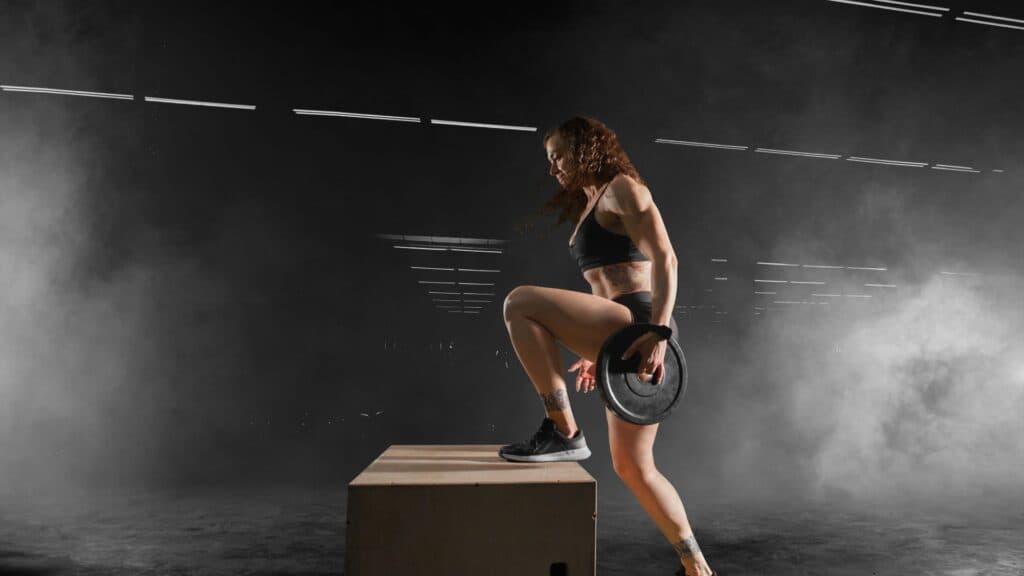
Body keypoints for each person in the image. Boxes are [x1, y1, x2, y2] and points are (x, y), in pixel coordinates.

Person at [499, 117, 715, 576]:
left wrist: (659, 334)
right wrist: (592, 349)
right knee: (633, 468)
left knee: (519, 303)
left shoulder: (624, 189)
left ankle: (564, 430)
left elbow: (666, 259)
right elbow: (604, 290)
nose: (553, 167)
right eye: (549, 160)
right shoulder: (591, 202)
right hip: (618, 330)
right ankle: (696, 567)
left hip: (640, 323)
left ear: (584, 148)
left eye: (557, 156)